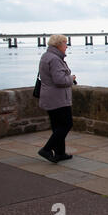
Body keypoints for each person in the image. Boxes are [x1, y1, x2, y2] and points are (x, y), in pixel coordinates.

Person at [37, 34, 76, 163]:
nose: (67, 46)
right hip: (58, 99)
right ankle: (46, 149)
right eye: (65, 43)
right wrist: (71, 79)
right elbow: (59, 80)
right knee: (66, 124)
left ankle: (60, 153)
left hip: (49, 97)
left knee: (57, 126)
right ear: (59, 45)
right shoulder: (55, 59)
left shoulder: (46, 56)